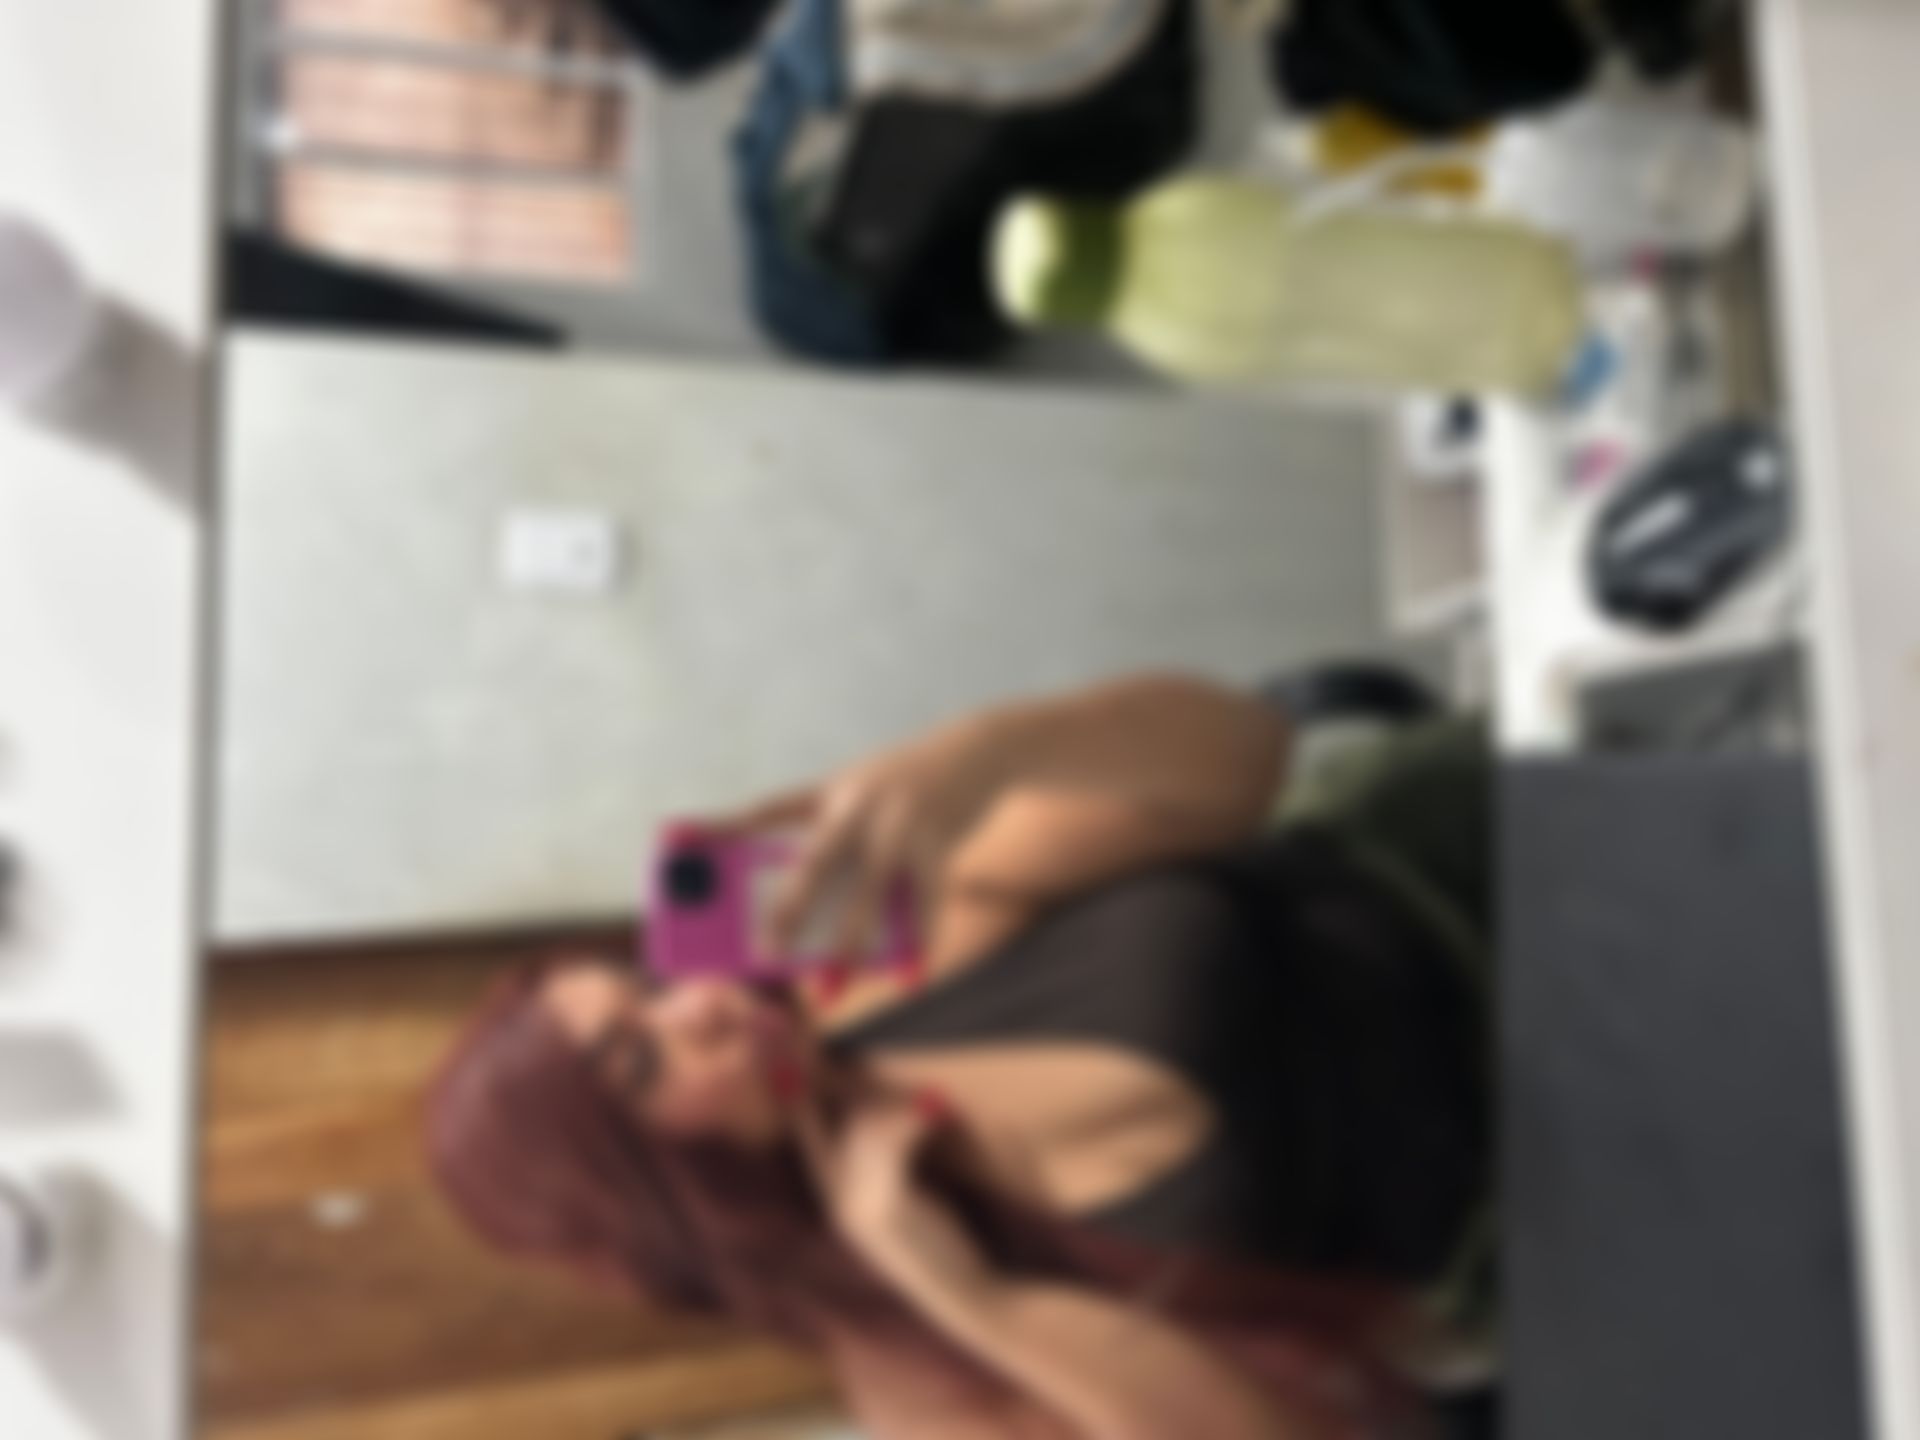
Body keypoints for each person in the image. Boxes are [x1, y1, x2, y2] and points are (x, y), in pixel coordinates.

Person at [427, 672, 1494, 1439]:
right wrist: (980, 1301)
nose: (702, 1004)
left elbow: (1252, 751)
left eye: (652, 991)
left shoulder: (856, 942)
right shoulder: (913, 1367)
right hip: (1525, 1207)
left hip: (1459, 863)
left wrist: (988, 752)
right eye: (643, 1063)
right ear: (663, 1194)